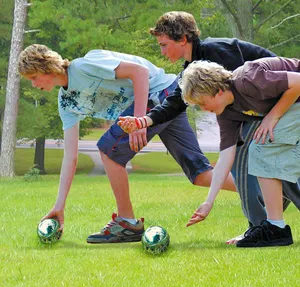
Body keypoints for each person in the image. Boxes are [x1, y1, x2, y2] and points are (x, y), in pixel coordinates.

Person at [18, 44, 236, 244]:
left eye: (34, 77)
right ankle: (261, 193)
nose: (34, 84)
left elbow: (139, 73)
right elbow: (70, 157)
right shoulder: (66, 103)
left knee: (108, 149)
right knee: (200, 174)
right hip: (164, 97)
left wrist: (141, 122)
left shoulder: (85, 65)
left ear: (47, 67)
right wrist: (59, 206)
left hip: (162, 95)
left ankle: (127, 223)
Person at [118, 11, 299, 244]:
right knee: (248, 159)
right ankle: (262, 226)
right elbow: (175, 104)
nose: (161, 52)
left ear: (182, 39)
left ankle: (270, 225)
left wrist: (272, 117)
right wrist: (144, 121)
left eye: (164, 45)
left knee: (262, 152)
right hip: (256, 108)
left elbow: (257, 83)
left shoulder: (221, 56)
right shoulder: (196, 76)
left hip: (285, 101)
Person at [179, 57, 300, 247]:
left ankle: (275, 228)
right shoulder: (227, 114)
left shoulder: (248, 79)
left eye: (203, 103)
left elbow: (298, 83)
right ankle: (275, 227)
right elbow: (226, 158)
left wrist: (272, 117)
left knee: (261, 148)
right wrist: (208, 202)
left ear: (218, 90)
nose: (204, 109)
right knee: (269, 152)